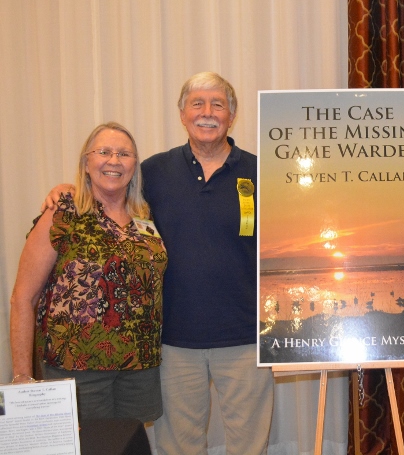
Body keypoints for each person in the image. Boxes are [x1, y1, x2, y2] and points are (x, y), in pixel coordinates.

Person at [44, 72, 274, 454]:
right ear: (182, 113)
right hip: (170, 341)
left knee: (250, 445)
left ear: (232, 115)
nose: (207, 112)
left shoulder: (261, 170)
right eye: (197, 103)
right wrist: (66, 189)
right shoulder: (151, 173)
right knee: (178, 446)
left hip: (246, 337)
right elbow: (106, 193)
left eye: (218, 104)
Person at [11, 122, 167, 424]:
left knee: (131, 445)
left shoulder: (144, 216)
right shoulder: (63, 212)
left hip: (139, 366)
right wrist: (22, 376)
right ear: (86, 162)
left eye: (124, 153)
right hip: (76, 366)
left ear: (135, 165)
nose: (114, 160)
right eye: (104, 152)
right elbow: (22, 298)